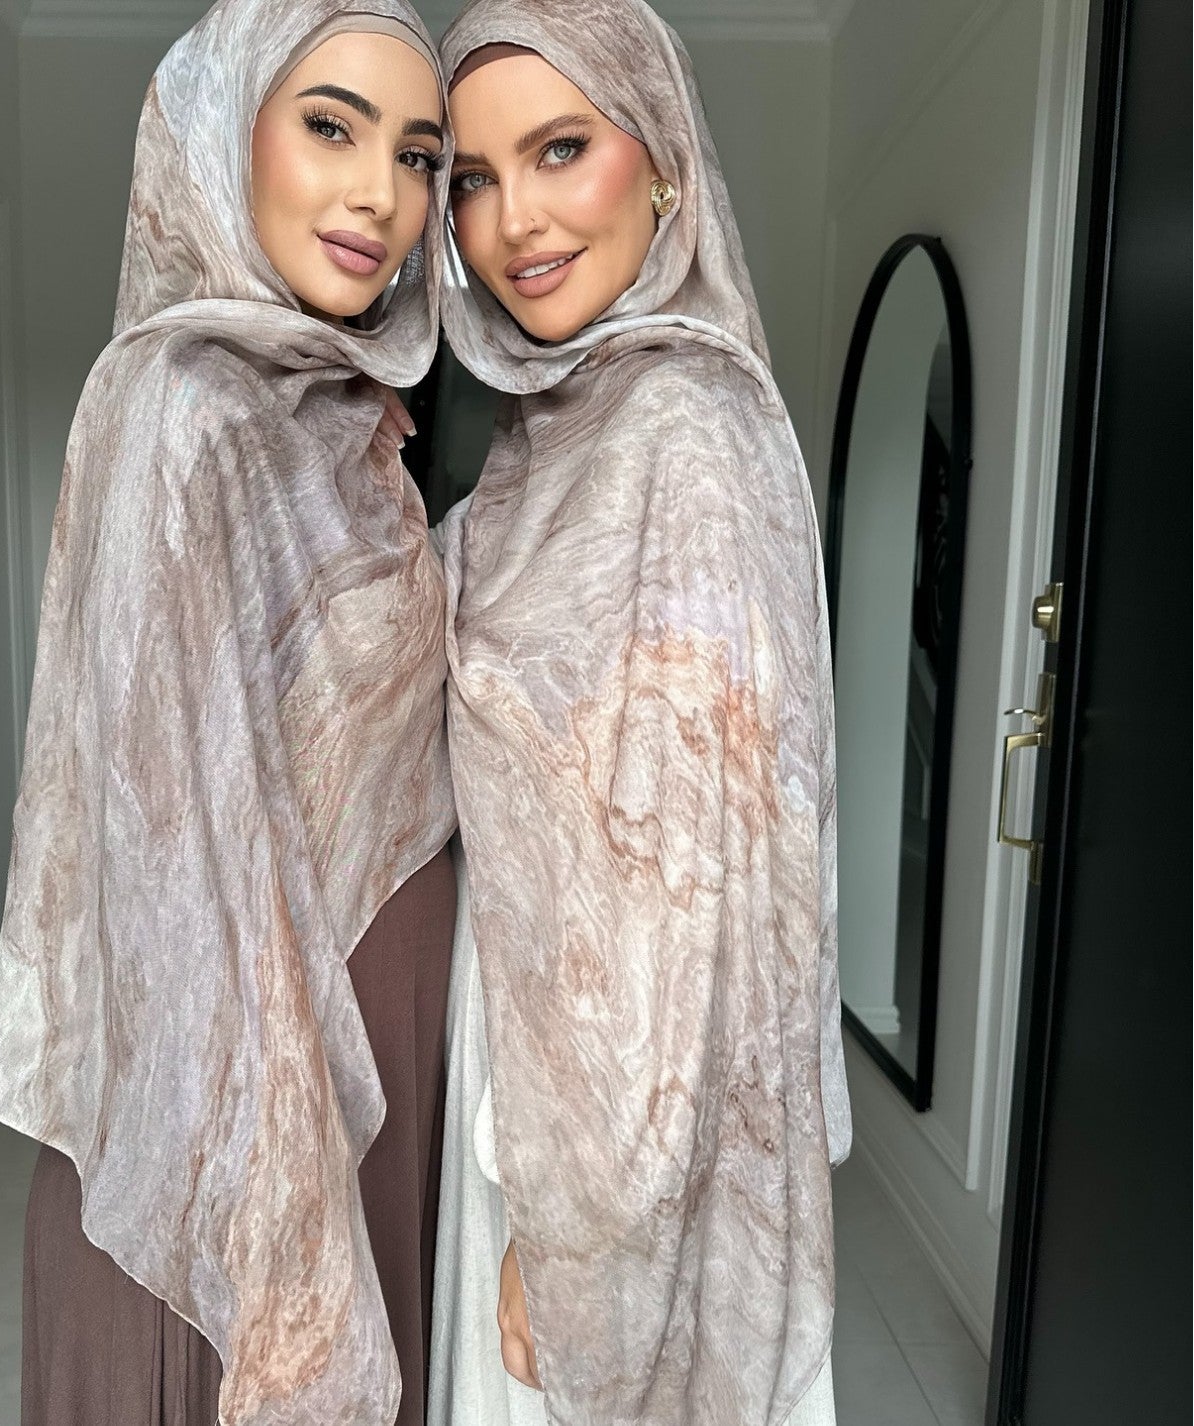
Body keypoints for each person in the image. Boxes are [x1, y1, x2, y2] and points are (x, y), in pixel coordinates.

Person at [0, 3, 457, 1423]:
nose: (378, 193)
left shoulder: (335, 410)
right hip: (249, 1082)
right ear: (222, 131)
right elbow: (177, 860)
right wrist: (281, 1189)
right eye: (329, 126)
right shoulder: (180, 408)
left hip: (379, 1036)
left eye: (416, 154)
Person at [427, 3, 851, 1423]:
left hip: (611, 1140)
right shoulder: (554, 428)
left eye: (561, 149)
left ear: (662, 161)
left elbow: (683, 909)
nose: (514, 222)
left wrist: (580, 1243)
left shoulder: (684, 433)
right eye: (474, 179)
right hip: (535, 1079)